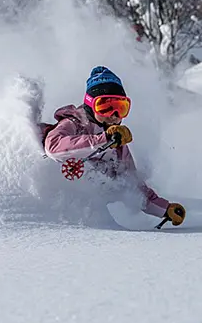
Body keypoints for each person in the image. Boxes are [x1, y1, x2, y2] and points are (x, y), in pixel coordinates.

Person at [39, 66, 186, 227]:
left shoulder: (118, 146)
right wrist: (104, 138)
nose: (114, 115)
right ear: (90, 104)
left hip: (87, 219)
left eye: (121, 108)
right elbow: (53, 147)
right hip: (49, 209)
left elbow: (132, 185)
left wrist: (164, 209)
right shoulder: (74, 123)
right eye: (105, 107)